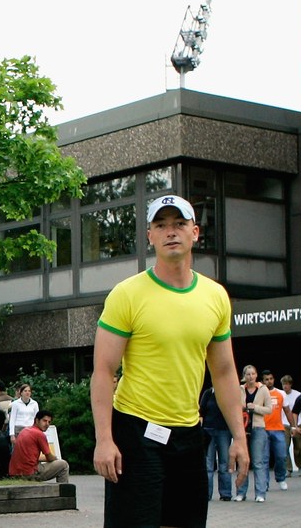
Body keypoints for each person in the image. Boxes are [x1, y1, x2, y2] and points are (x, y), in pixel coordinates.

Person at [92, 194, 248, 528]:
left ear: (195, 232)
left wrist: (239, 437)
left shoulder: (215, 296)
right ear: (150, 236)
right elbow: (104, 371)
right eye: (160, 225)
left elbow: (223, 372)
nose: (170, 231)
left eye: (178, 223)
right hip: (136, 430)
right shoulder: (127, 294)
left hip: (188, 435)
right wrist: (104, 440)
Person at [235, 364, 272, 502]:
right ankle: (240, 492)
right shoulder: (240, 389)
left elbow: (269, 409)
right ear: (244, 376)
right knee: (243, 461)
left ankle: (260, 493)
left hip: (258, 427)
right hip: (242, 428)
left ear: (257, 375)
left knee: (258, 461)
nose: (250, 377)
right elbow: (233, 406)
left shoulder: (263, 390)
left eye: (253, 374)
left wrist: (255, 407)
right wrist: (242, 407)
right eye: (248, 374)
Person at [8, 411, 69, 483]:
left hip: (14, 472)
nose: (47, 424)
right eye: (44, 421)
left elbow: (29, 457)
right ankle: (64, 491)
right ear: (36, 420)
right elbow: (49, 457)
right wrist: (56, 458)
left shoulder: (24, 431)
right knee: (63, 465)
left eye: (49, 422)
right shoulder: (39, 434)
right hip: (29, 473)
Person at [199, 385, 233, 501]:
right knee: (208, 465)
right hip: (208, 431)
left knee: (224, 463)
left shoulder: (228, 392)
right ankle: (206, 494)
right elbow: (201, 411)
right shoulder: (208, 393)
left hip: (224, 431)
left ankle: (226, 493)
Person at [259, 369, 289, 489]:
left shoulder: (281, 393)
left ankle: (281, 478)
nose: (269, 381)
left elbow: (287, 410)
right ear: (262, 381)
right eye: (266, 379)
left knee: (282, 456)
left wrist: (293, 426)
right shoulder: (259, 393)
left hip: (278, 429)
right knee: (264, 459)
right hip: (263, 429)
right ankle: (264, 483)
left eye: (271, 379)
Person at [280, 374, 301, 475]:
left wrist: (299, 424)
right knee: (284, 447)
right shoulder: (280, 394)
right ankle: (288, 468)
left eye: (287, 384)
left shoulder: (298, 395)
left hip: (297, 423)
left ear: (290, 384)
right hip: (284, 424)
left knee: (298, 447)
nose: (285, 386)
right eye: (283, 384)